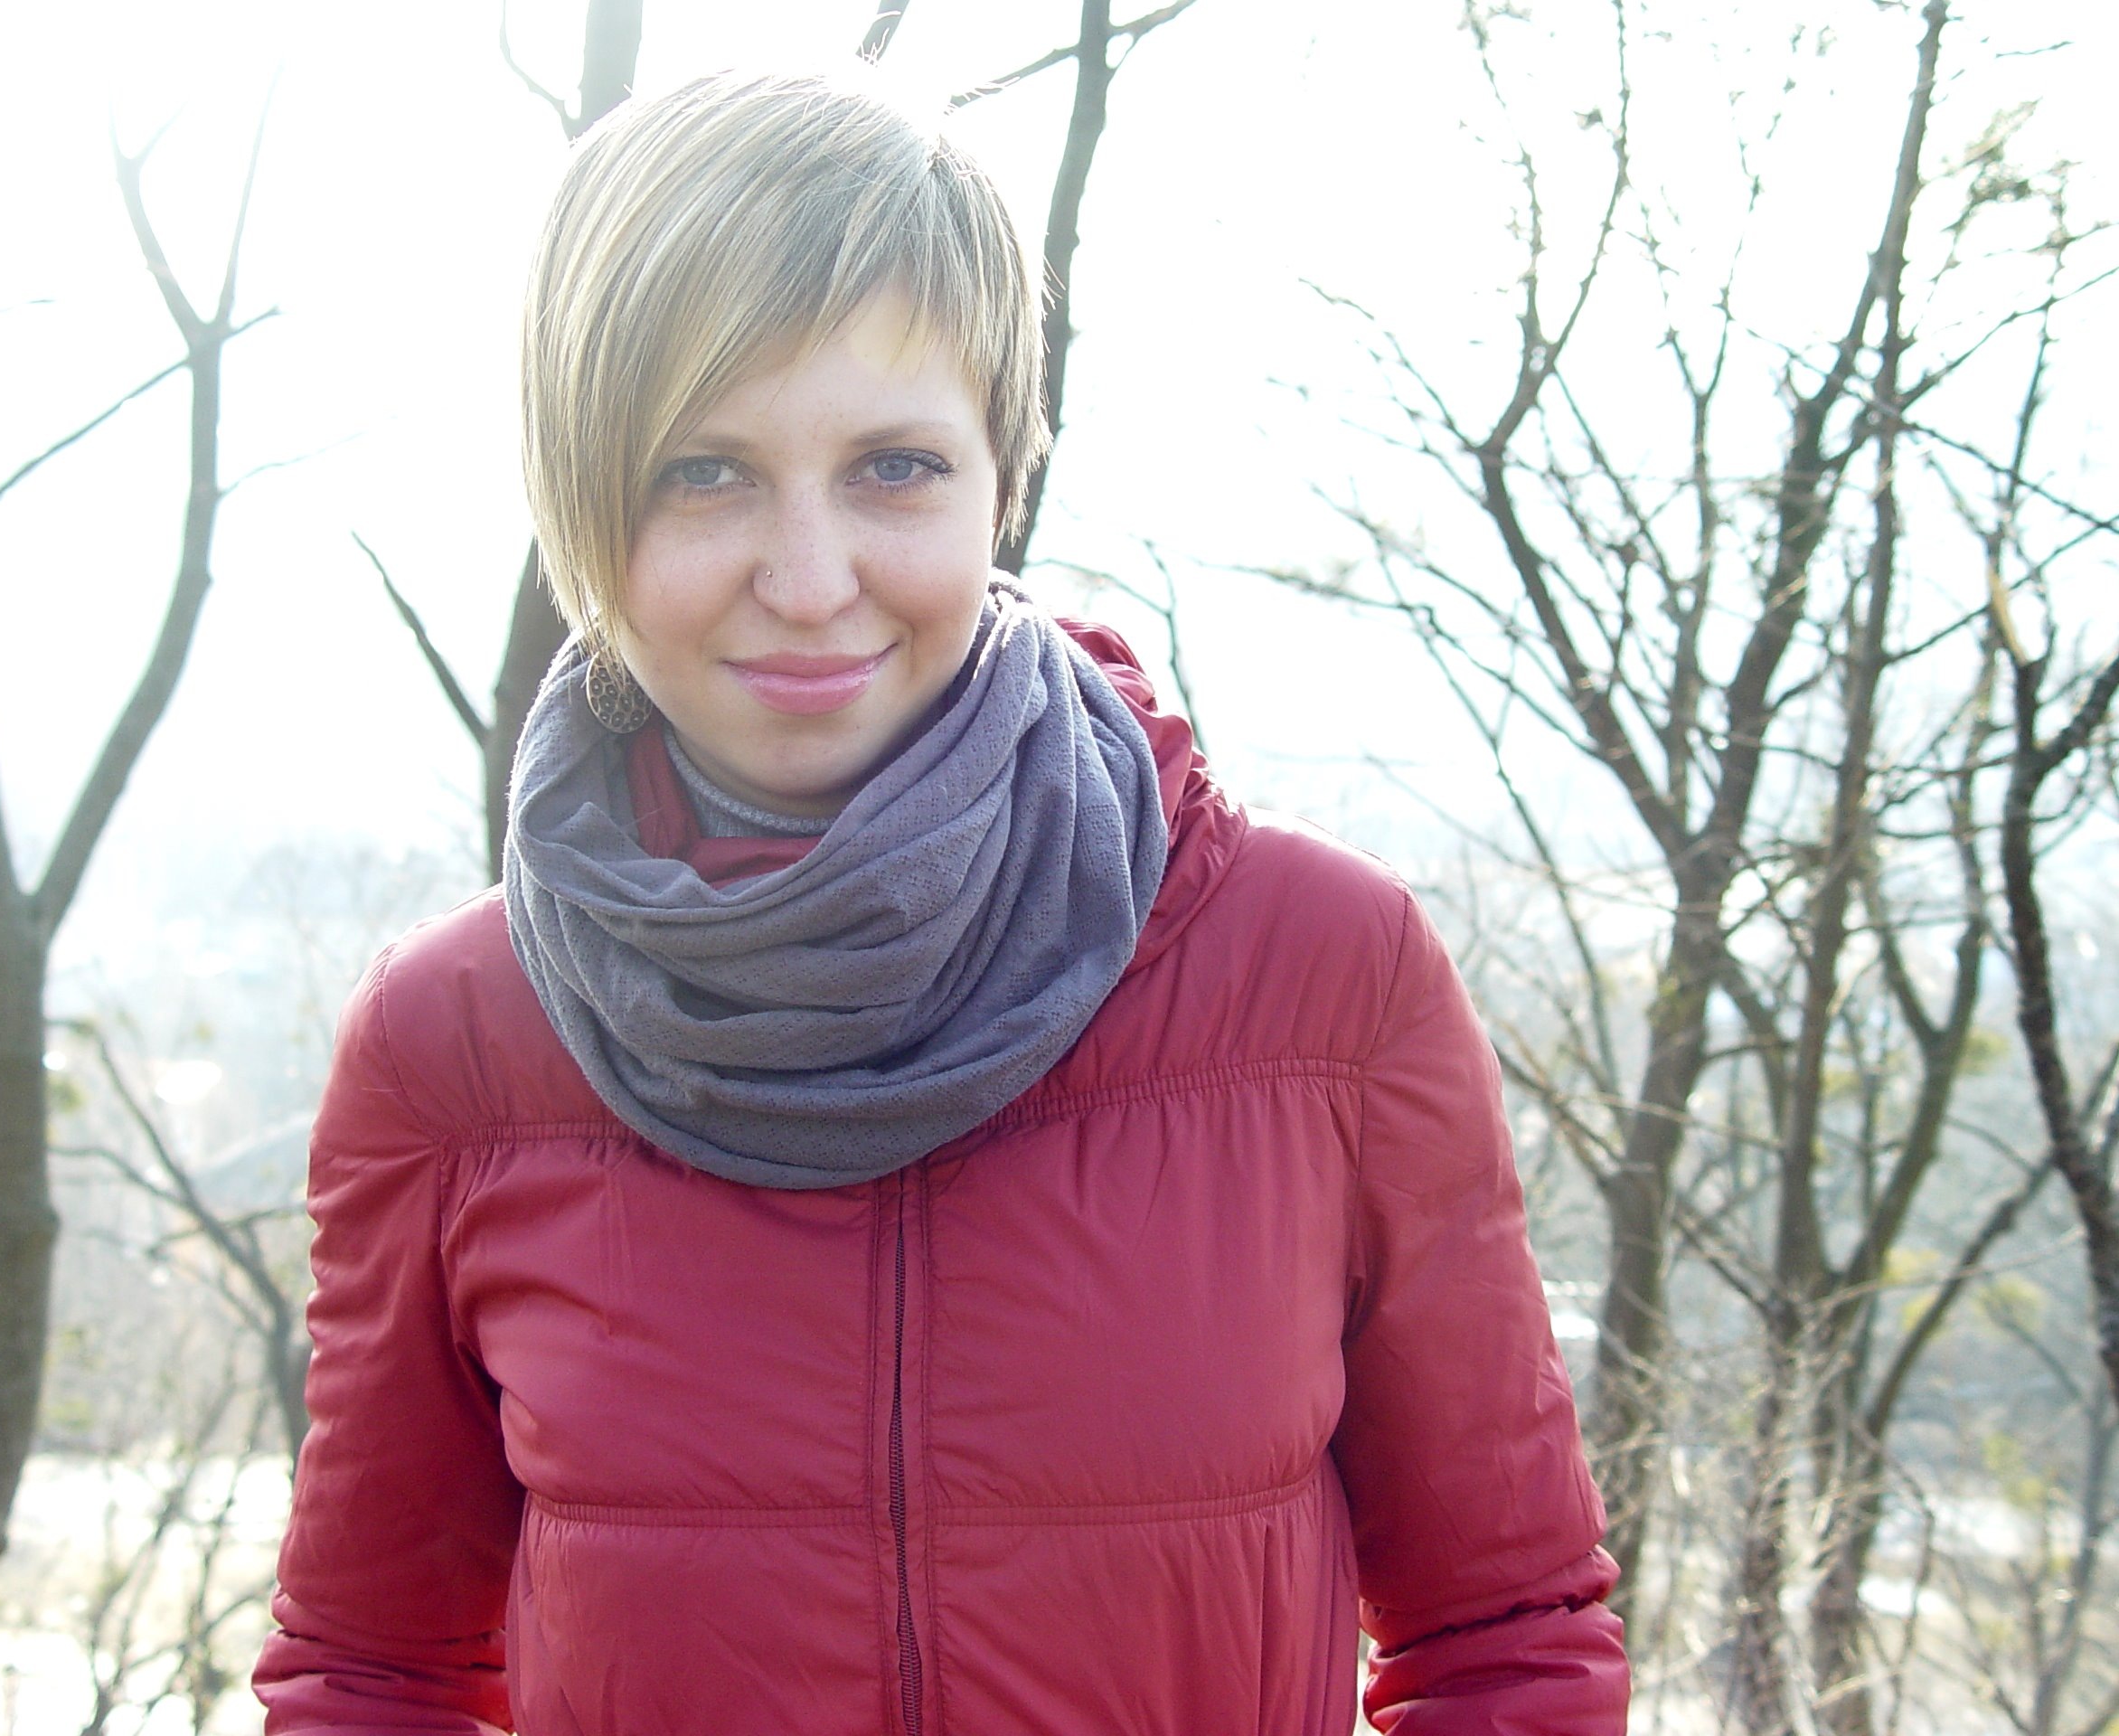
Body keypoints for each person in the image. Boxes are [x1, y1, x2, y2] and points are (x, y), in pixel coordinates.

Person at [253, 69, 1629, 1736]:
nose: (809, 578)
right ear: (578, 505)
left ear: (1003, 478)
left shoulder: (1324, 978)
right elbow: (373, 1671)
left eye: (895, 467)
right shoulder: (451, 1048)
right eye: (703, 472)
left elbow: (1505, 1636)